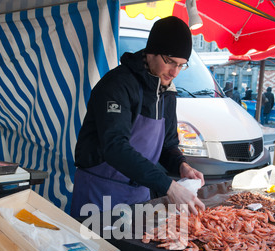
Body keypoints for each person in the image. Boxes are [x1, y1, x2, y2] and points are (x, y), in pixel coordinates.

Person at [70, 16, 205, 220]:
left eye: (181, 65)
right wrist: (169, 186)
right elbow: (115, 147)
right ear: (151, 51)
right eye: (169, 62)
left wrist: (181, 165)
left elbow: (168, 145)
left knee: (135, 250)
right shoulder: (117, 85)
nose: (174, 72)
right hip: (99, 193)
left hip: (139, 195)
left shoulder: (167, 92)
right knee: (99, 249)